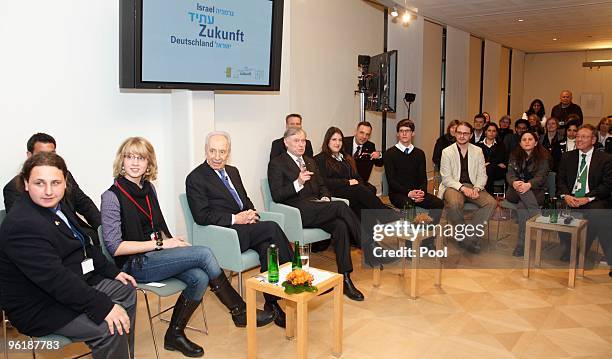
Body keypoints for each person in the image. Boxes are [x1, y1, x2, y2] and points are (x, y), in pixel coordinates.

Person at [101, 137, 273, 357]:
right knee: (204, 253)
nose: (135, 163)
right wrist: (163, 244)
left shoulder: (148, 188)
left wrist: (177, 245)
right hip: (133, 265)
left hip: (155, 256)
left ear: (148, 163)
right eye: (130, 157)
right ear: (121, 161)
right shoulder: (111, 197)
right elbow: (115, 247)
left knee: (200, 277)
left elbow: (159, 225)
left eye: (141, 158)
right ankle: (239, 311)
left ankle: (174, 334)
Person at [0, 152, 136, 359]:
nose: (48, 191)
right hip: (41, 304)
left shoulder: (57, 205)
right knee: (109, 328)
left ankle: (123, 354)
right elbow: (56, 280)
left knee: (125, 289)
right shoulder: (22, 224)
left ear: (65, 183)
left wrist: (112, 272)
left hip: (73, 280)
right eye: (39, 183)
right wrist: (104, 308)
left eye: (55, 182)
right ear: (26, 184)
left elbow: (83, 242)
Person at [186, 131, 292, 328]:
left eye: (222, 152)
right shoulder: (196, 178)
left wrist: (251, 214)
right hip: (225, 235)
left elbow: (245, 200)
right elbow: (202, 216)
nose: (217, 157)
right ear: (205, 150)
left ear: (228, 153)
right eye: (213, 151)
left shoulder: (233, 171)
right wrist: (236, 219)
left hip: (245, 229)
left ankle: (272, 303)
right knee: (272, 227)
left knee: (269, 246)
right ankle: (294, 276)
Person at [267, 127, 364, 301]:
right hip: (296, 212)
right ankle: (366, 243)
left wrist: (326, 198)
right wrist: (297, 183)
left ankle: (346, 279)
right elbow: (277, 195)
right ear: (286, 142)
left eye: (303, 140)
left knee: (340, 226)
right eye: (296, 141)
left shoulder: (310, 161)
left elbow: (322, 187)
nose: (301, 144)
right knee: (341, 206)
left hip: (317, 209)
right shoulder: (277, 163)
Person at [3, 133, 101, 246]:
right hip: (48, 240)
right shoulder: (13, 188)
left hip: (77, 232)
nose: (47, 159)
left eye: (52, 154)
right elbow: (24, 228)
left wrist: (103, 228)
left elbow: (84, 203)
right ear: (29, 155)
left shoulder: (64, 176)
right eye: (39, 183)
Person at [556, 125, 612, 264]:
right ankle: (569, 248)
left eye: (584, 136)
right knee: (559, 211)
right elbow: (560, 180)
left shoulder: (605, 159)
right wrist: (566, 196)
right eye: (578, 136)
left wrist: (586, 198)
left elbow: (606, 186)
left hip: (593, 198)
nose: (579, 139)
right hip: (571, 197)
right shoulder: (567, 157)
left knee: (598, 213)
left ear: (593, 140)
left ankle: (583, 250)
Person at [439, 121, 497, 254]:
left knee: (491, 203)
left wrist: (477, 188)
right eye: (459, 132)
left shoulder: (478, 151)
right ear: (455, 133)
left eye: (465, 133)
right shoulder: (446, 152)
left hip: (473, 186)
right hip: (453, 186)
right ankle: (464, 238)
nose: (462, 136)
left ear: (470, 135)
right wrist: (463, 188)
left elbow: (482, 175)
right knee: (454, 204)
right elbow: (446, 178)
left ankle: (469, 237)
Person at [384, 118, 444, 226]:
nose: (404, 133)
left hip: (417, 192)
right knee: (408, 204)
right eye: (401, 131)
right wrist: (409, 193)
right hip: (398, 194)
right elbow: (391, 181)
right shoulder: (390, 153)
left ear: (413, 133)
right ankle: (410, 240)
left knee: (438, 203)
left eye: (407, 131)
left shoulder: (419, 153)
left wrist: (421, 192)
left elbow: (423, 178)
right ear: (398, 134)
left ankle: (427, 235)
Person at [505, 132, 550, 256]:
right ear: (520, 143)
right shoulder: (514, 155)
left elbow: (541, 176)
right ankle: (537, 215)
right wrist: (514, 183)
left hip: (535, 191)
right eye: (524, 139)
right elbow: (509, 174)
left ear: (536, 143)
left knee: (522, 206)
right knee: (522, 193)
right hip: (514, 191)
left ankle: (521, 244)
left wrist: (528, 185)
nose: (527, 141)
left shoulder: (543, 157)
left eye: (530, 139)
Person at [476, 122, 507, 195]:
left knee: (489, 168)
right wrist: (496, 162)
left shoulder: (501, 145)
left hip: (498, 171)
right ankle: (489, 195)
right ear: (485, 132)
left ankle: (487, 195)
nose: (491, 133)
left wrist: (488, 163)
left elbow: (501, 158)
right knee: (488, 169)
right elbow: (476, 159)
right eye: (489, 130)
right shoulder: (478, 145)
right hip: (481, 169)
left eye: (494, 131)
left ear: (496, 133)